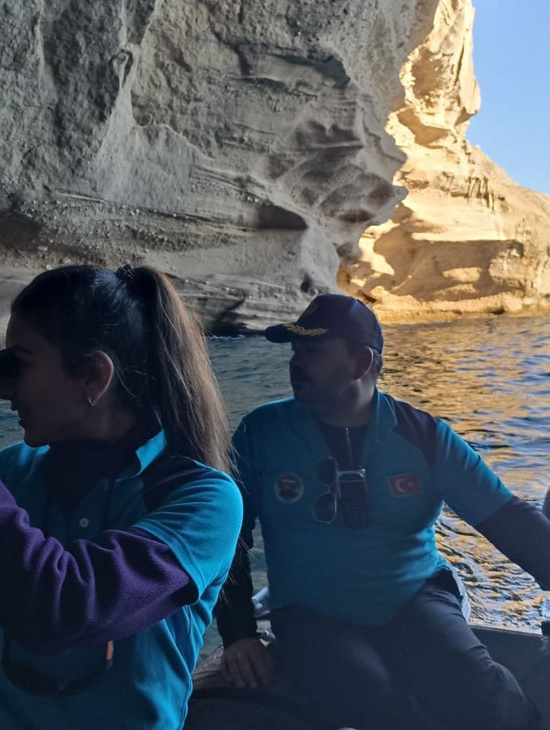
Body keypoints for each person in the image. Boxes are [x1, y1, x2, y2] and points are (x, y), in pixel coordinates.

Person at [0, 264, 243, 730]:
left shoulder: (204, 500)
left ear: (94, 375)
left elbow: (62, 611)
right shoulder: (15, 471)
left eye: (21, 364)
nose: (0, 388)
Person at [215, 293, 550, 730]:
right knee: (371, 699)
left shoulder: (424, 436)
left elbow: (507, 518)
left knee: (483, 691)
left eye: (313, 350)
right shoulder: (262, 432)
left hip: (414, 595)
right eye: (295, 351)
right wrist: (239, 632)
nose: (296, 362)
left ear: (360, 363)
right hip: (310, 611)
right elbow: (227, 537)